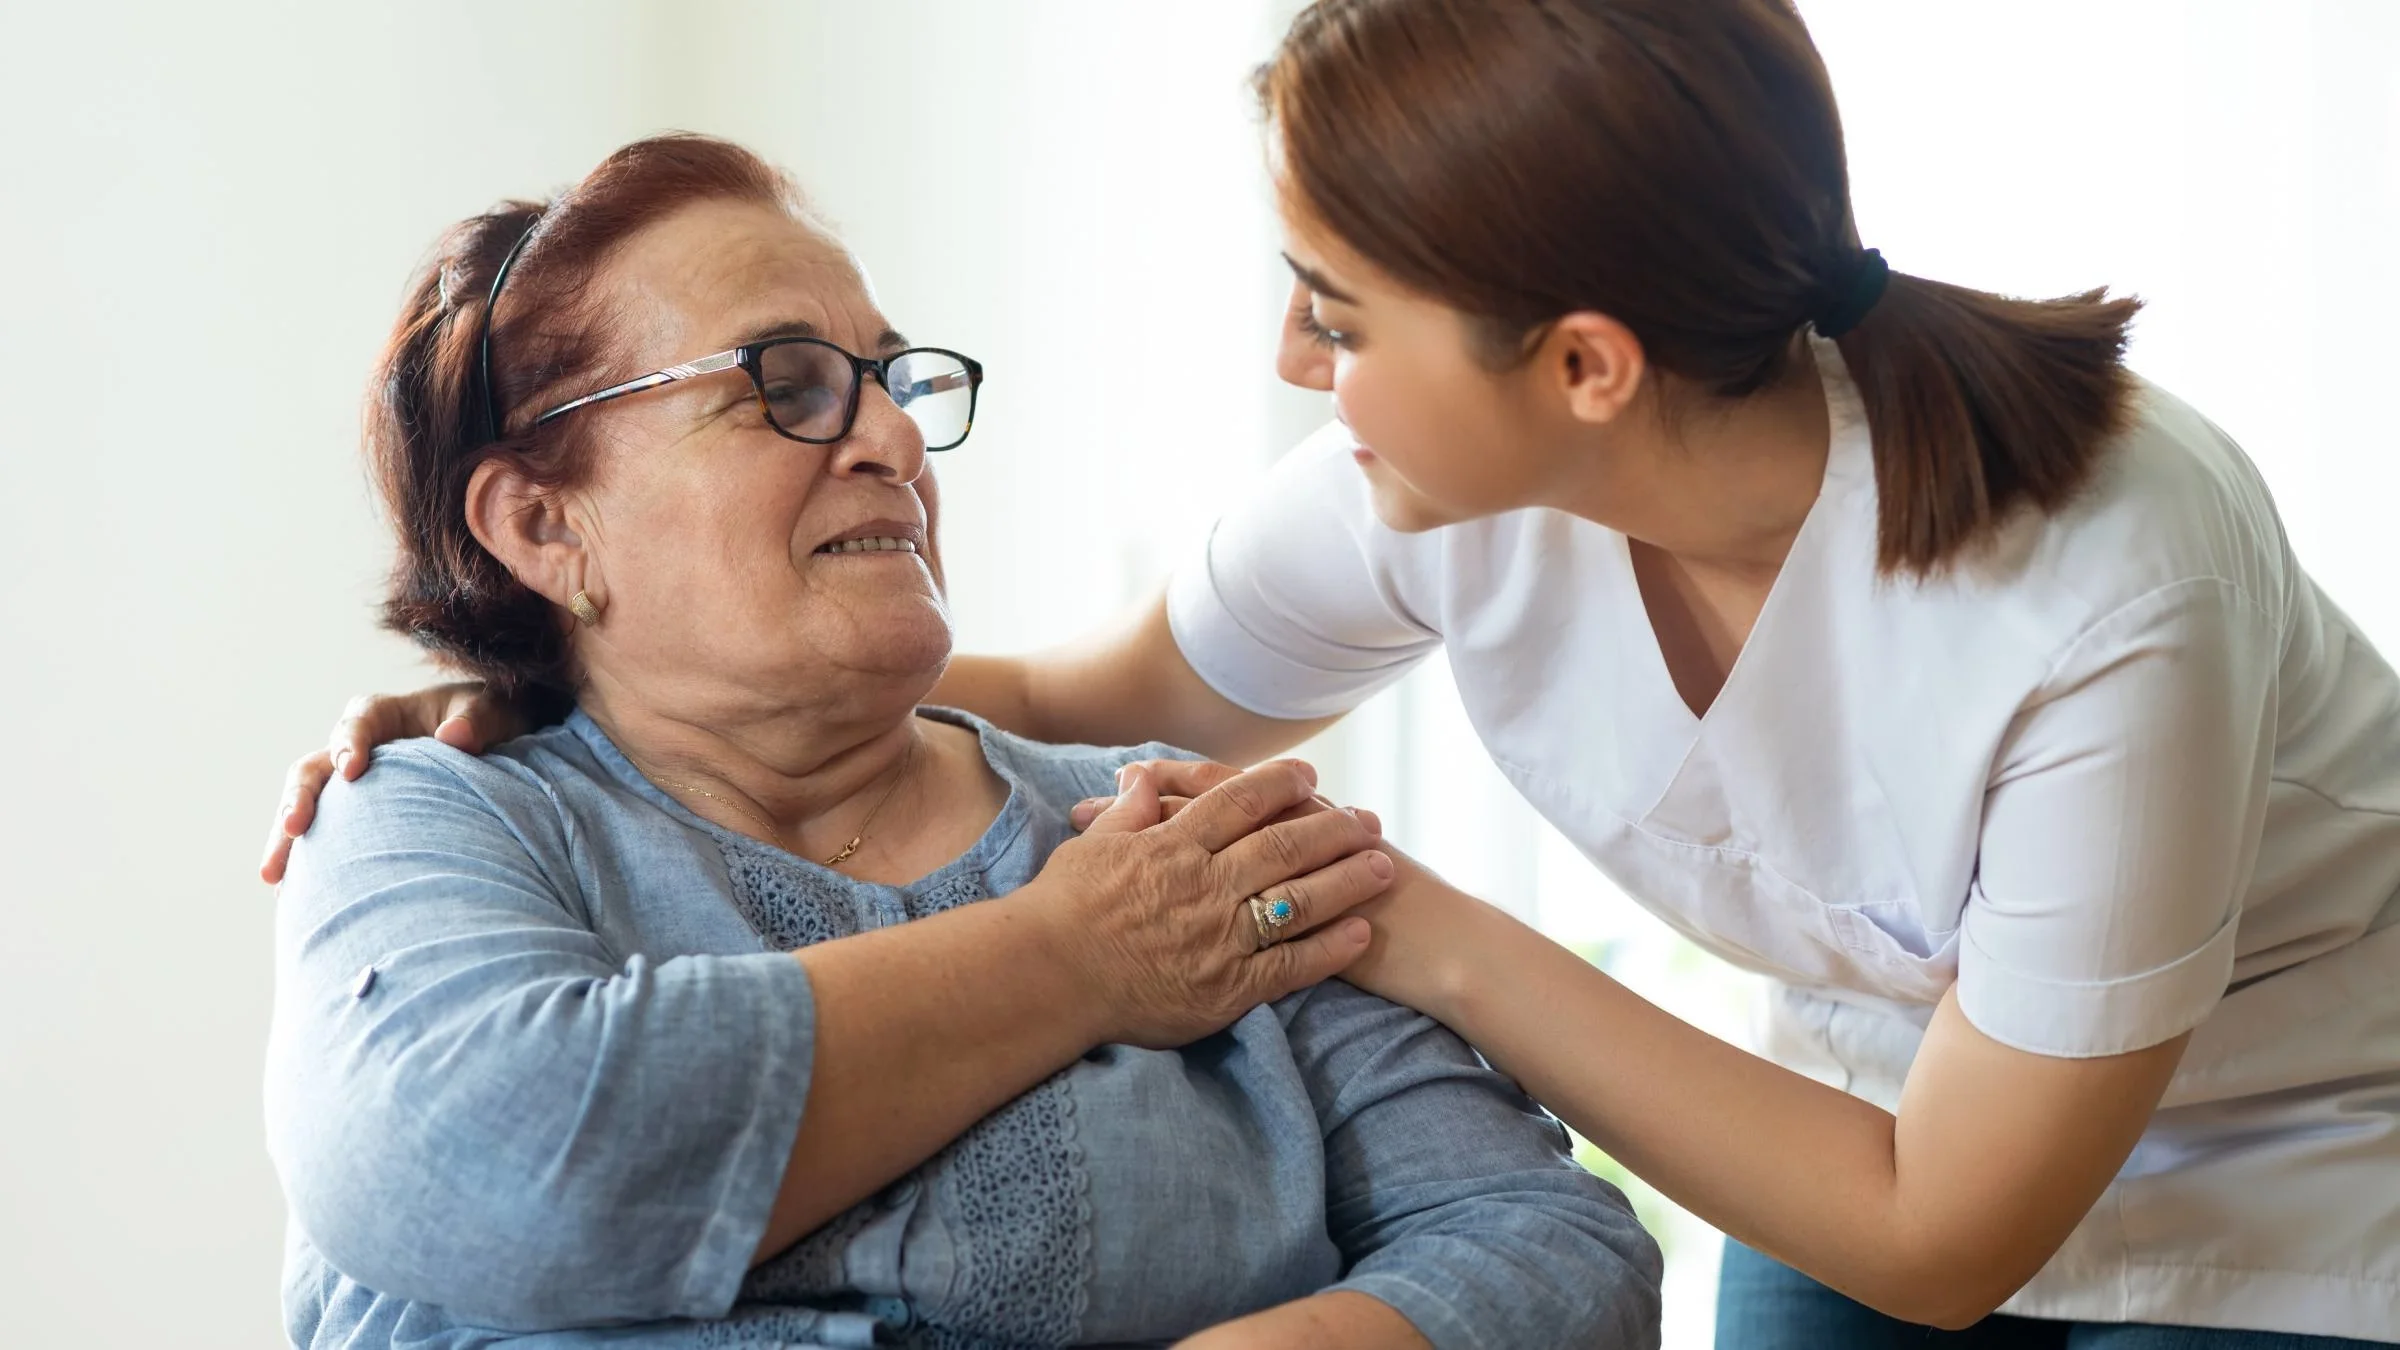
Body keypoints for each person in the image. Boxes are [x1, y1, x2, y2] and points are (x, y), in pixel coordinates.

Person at [269, 1, 2400, 1346]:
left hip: (2277, 1157)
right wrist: (536, 686)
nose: (1297, 362)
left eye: (1340, 308)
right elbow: (1088, 688)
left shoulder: (2110, 587)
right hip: (1862, 1111)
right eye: (788, 384)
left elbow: (1627, 1256)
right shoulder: (459, 838)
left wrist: (1404, 928)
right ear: (538, 526)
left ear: (1584, 368)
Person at [264, 134, 1663, 1350]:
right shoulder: (430, 816)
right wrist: (1078, 955)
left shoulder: (1179, 832)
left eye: (889, 380)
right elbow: (493, 1160)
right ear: (544, 526)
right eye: (788, 383)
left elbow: (1553, 1251)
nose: (892, 435)